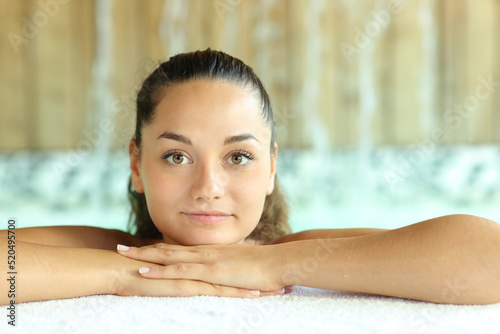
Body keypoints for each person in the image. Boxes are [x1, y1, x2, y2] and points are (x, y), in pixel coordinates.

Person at [1, 49, 499, 305]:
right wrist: (129, 274)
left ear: (272, 168)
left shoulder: (297, 254)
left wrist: (273, 266)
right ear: (136, 165)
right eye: (177, 156)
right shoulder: (114, 250)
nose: (208, 187)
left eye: (238, 157)